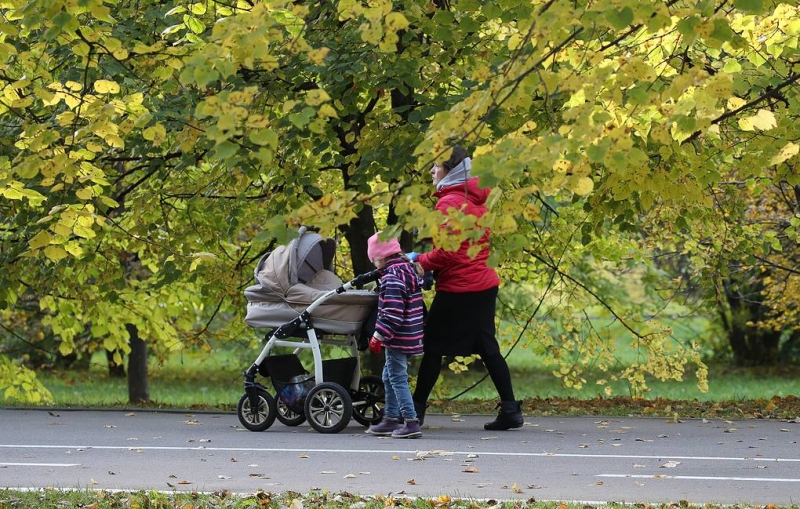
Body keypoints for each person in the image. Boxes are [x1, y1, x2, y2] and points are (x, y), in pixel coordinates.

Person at [409, 146, 524, 431]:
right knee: (487, 347)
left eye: (436, 166)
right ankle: (510, 409)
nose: (432, 172)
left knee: (433, 347)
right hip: (483, 284)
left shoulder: (448, 203)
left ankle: (414, 411)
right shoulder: (473, 200)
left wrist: (420, 261)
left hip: (460, 287)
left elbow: (447, 254)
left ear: (450, 170)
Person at [364, 232, 426, 439]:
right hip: (411, 333)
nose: (374, 265)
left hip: (397, 336)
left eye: (373, 260)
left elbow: (392, 313)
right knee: (388, 375)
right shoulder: (408, 270)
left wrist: (378, 335)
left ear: (380, 257)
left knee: (397, 378)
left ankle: (410, 421)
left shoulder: (392, 278)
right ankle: (390, 418)